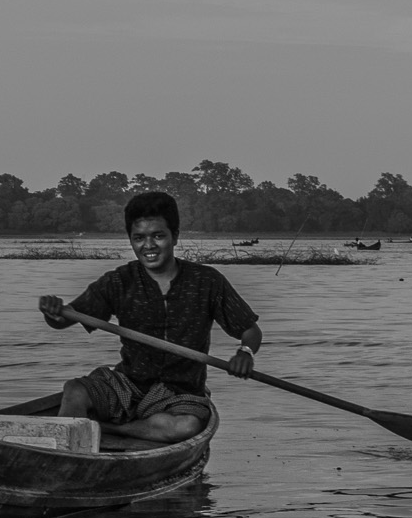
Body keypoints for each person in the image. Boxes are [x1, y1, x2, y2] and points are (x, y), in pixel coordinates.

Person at [36, 191, 264, 445]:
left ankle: (110, 429)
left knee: (186, 426)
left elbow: (250, 330)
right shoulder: (119, 281)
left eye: (158, 236)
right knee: (75, 390)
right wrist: (54, 312)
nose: (149, 246)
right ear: (131, 240)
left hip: (181, 393)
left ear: (175, 236)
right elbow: (65, 319)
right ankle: (64, 448)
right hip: (128, 385)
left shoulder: (206, 281)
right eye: (139, 238)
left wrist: (245, 352)